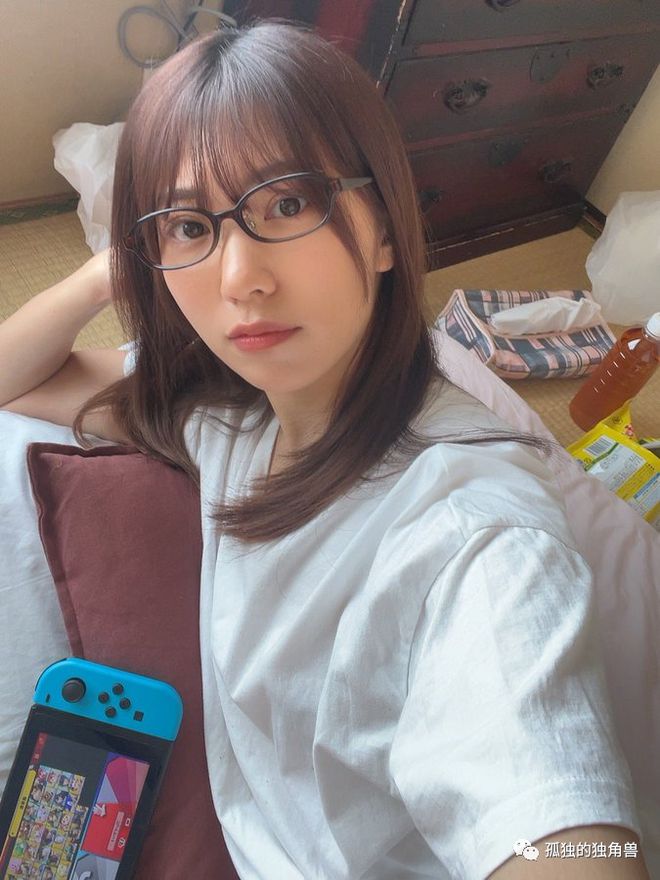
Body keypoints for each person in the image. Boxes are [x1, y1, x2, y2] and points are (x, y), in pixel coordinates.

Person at [0, 19, 651, 880]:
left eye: (288, 203)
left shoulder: (474, 534)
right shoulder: (229, 413)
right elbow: (12, 377)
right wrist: (109, 267)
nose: (241, 279)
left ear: (385, 229)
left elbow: (555, 819)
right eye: (190, 226)